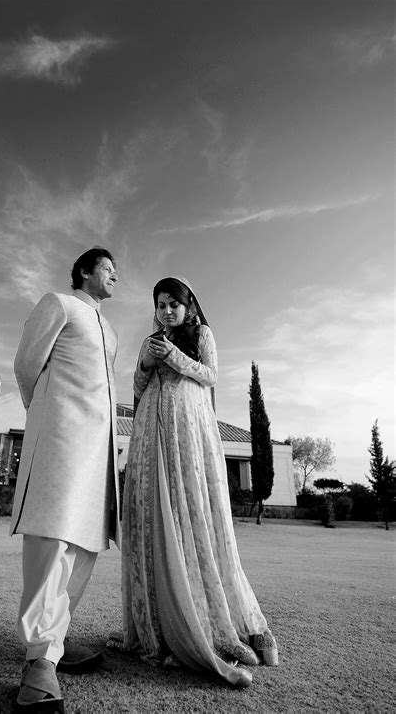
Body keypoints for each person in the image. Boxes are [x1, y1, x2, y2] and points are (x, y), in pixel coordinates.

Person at [110, 276, 278, 688]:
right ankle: (159, 629)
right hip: (151, 437)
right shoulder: (148, 344)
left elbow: (211, 375)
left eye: (174, 304)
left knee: (193, 517)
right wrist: (148, 363)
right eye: (160, 304)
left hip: (189, 437)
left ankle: (214, 623)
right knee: (152, 521)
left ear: (189, 306)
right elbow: (136, 387)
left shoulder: (202, 334)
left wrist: (175, 357)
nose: (167, 311)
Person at [10, 247, 120, 712]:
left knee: (86, 544)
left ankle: (54, 640)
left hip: (100, 450)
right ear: (84, 271)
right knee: (53, 537)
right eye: (109, 269)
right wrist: (49, 419)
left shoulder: (110, 329)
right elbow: (25, 366)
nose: (115, 276)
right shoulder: (58, 303)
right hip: (61, 441)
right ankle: (39, 663)